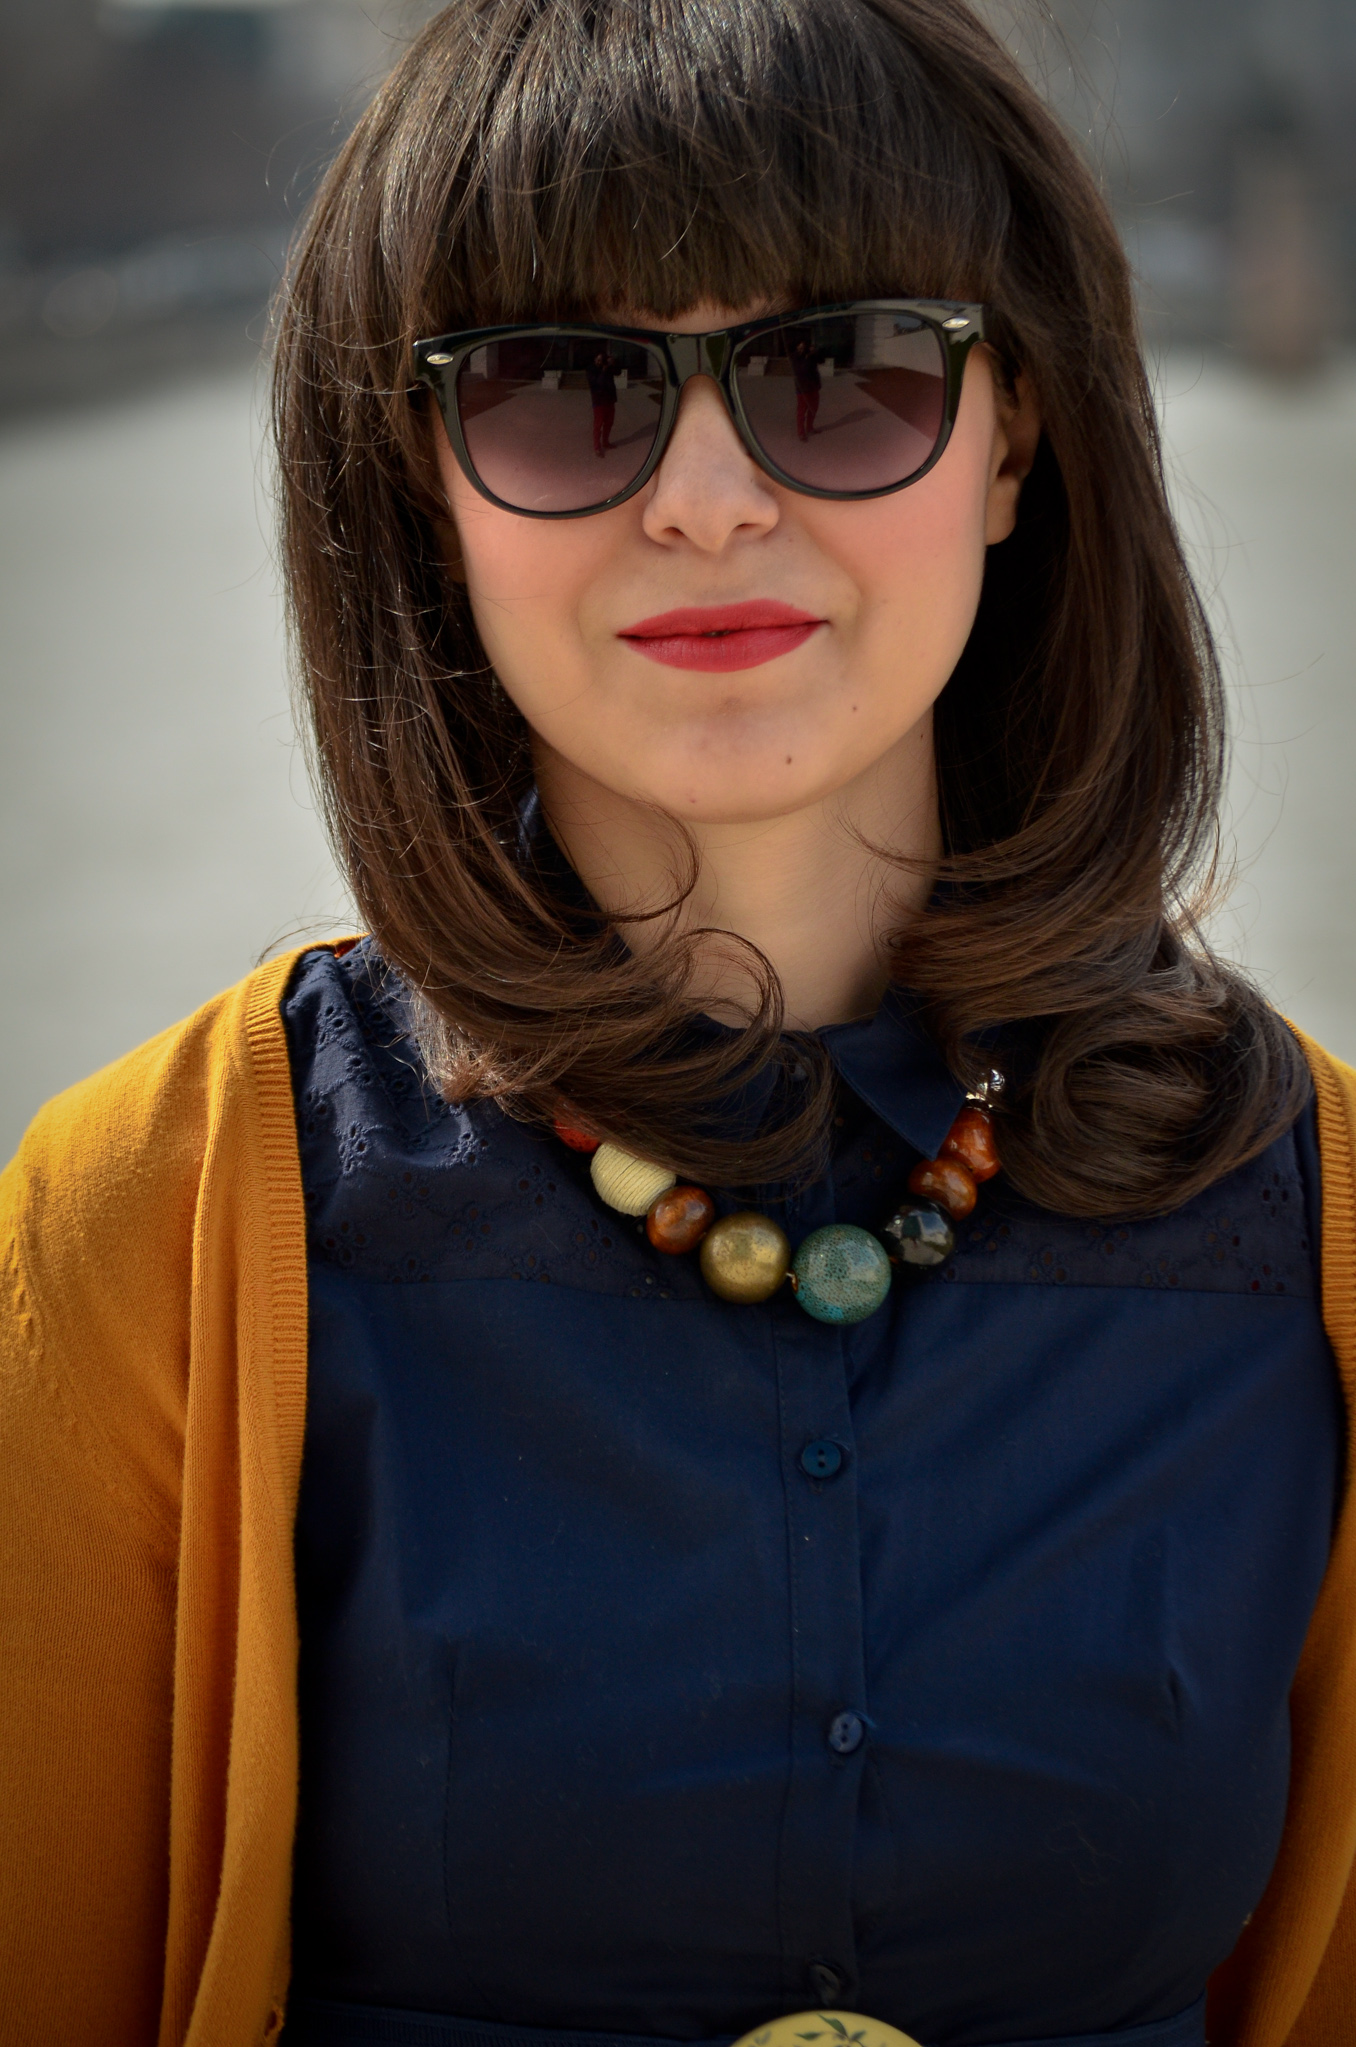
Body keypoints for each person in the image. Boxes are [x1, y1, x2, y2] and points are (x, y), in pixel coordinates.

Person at [4, 3, 1356, 2046]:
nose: (709, 501)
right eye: (566, 392)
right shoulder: (159, 1224)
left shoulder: (1322, 1224)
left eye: (847, 373)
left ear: (1016, 440)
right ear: (424, 485)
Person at [587, 345, 620, 454]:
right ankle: (597, 446)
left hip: (610, 400)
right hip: (599, 401)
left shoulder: (607, 367)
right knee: (598, 424)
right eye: (598, 360)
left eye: (601, 360)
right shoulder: (591, 369)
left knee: (609, 423)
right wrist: (604, 370)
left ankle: (605, 442)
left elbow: (618, 372)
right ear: (594, 359)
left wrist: (613, 362)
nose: (599, 362)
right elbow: (597, 383)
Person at [791, 334, 822, 438]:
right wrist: (807, 357)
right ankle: (801, 432)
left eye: (803, 346)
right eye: (799, 346)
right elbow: (802, 370)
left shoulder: (810, 354)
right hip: (802, 388)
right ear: (796, 347)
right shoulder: (796, 357)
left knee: (813, 408)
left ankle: (810, 427)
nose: (801, 348)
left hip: (813, 386)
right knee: (802, 410)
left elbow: (821, 361)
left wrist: (815, 353)